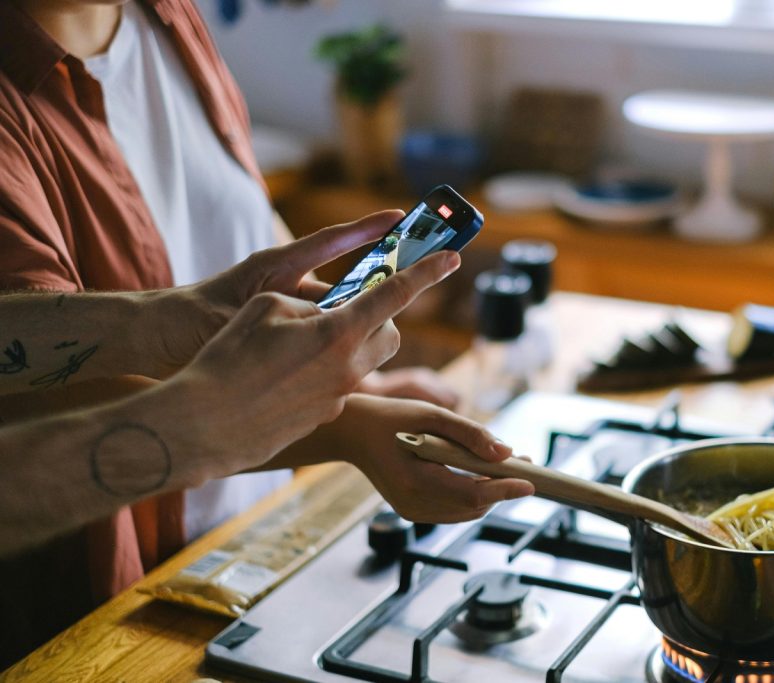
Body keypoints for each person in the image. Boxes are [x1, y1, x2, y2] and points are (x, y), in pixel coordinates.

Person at [0, 0, 479, 660]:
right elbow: (47, 392)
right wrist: (348, 423)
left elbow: (236, 214)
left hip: (252, 529)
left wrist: (338, 367)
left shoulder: (167, 16)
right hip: (136, 590)